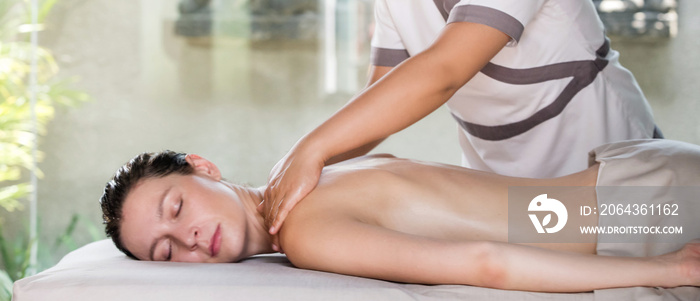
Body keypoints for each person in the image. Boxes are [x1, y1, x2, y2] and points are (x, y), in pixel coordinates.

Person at [261, 0, 661, 240]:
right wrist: (279, 190)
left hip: (593, 146)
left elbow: (444, 71)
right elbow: (377, 102)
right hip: (501, 177)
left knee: (628, 251)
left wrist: (310, 150)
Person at [101, 139, 700, 293]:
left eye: (175, 208)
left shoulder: (307, 231)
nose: (188, 239)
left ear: (202, 167)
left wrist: (674, 269)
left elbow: (484, 262)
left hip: (638, 214)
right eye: (165, 251)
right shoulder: (314, 170)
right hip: (636, 187)